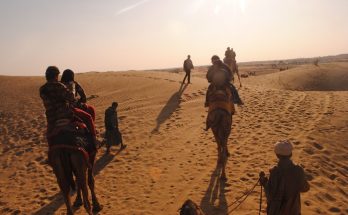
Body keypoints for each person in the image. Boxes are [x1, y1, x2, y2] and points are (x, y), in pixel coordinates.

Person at [259, 140, 310, 215]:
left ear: (277, 155)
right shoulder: (298, 170)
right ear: (291, 154)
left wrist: (264, 181)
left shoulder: (275, 172)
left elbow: (270, 195)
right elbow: (305, 188)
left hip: (277, 211)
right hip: (294, 210)